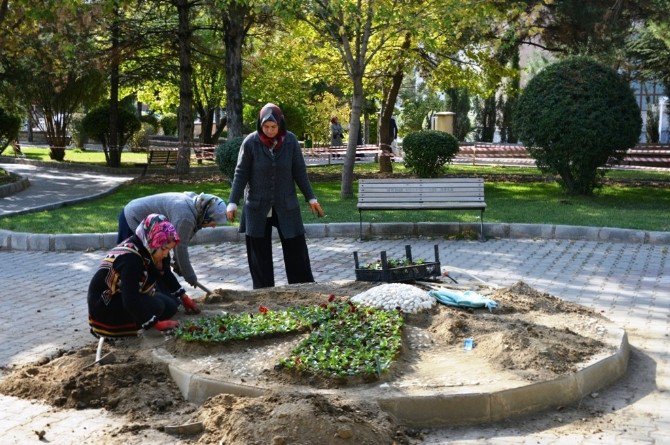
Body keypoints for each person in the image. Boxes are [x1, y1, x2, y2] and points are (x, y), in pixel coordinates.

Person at [226, 103, 325, 289]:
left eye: (273, 127)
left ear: (280, 124)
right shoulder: (250, 142)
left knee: (295, 247)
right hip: (257, 205)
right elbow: (240, 174)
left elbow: (300, 172)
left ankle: (302, 287)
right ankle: (263, 290)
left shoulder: (291, 141)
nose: (270, 131)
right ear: (259, 125)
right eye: (266, 127)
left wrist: (311, 198)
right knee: (258, 252)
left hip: (286, 204)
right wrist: (232, 202)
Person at [88, 214, 200, 337]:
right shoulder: (130, 258)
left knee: (171, 306)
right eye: (164, 249)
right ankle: (128, 328)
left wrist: (184, 297)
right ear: (152, 242)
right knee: (157, 306)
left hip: (124, 296)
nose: (165, 254)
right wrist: (156, 324)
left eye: (169, 249)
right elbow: (130, 299)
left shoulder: (151, 247)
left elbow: (166, 274)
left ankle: (145, 318)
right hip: (105, 307)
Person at [117, 192, 227, 287]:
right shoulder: (186, 217)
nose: (214, 226)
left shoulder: (196, 207)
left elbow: (179, 242)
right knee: (133, 261)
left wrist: (180, 266)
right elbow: (180, 249)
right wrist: (190, 276)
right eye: (214, 222)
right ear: (206, 216)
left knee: (162, 261)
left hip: (151, 226)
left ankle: (165, 293)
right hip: (133, 216)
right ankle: (126, 293)